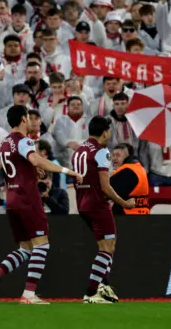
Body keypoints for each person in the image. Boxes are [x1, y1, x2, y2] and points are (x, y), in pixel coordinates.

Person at [0, 105, 83, 305]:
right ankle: (28, 295)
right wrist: (68, 171)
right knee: (42, 244)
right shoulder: (24, 140)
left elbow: (16, 166)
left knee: (26, 248)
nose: (30, 121)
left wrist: (32, 171)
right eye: (28, 117)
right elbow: (35, 159)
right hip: (28, 197)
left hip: (12, 198)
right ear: (23, 119)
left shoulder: (4, 143)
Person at [72, 117, 135, 304]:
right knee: (108, 248)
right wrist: (124, 203)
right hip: (97, 205)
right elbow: (105, 186)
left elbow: (79, 179)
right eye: (110, 130)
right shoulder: (101, 152)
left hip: (82, 203)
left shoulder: (79, 151)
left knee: (107, 245)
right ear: (105, 131)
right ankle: (91, 293)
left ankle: (103, 286)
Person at [110, 143, 150, 215]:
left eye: (118, 155)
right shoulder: (138, 168)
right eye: (113, 155)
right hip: (142, 213)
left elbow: (110, 193)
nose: (114, 158)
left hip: (126, 216)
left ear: (127, 156)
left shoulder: (126, 171)